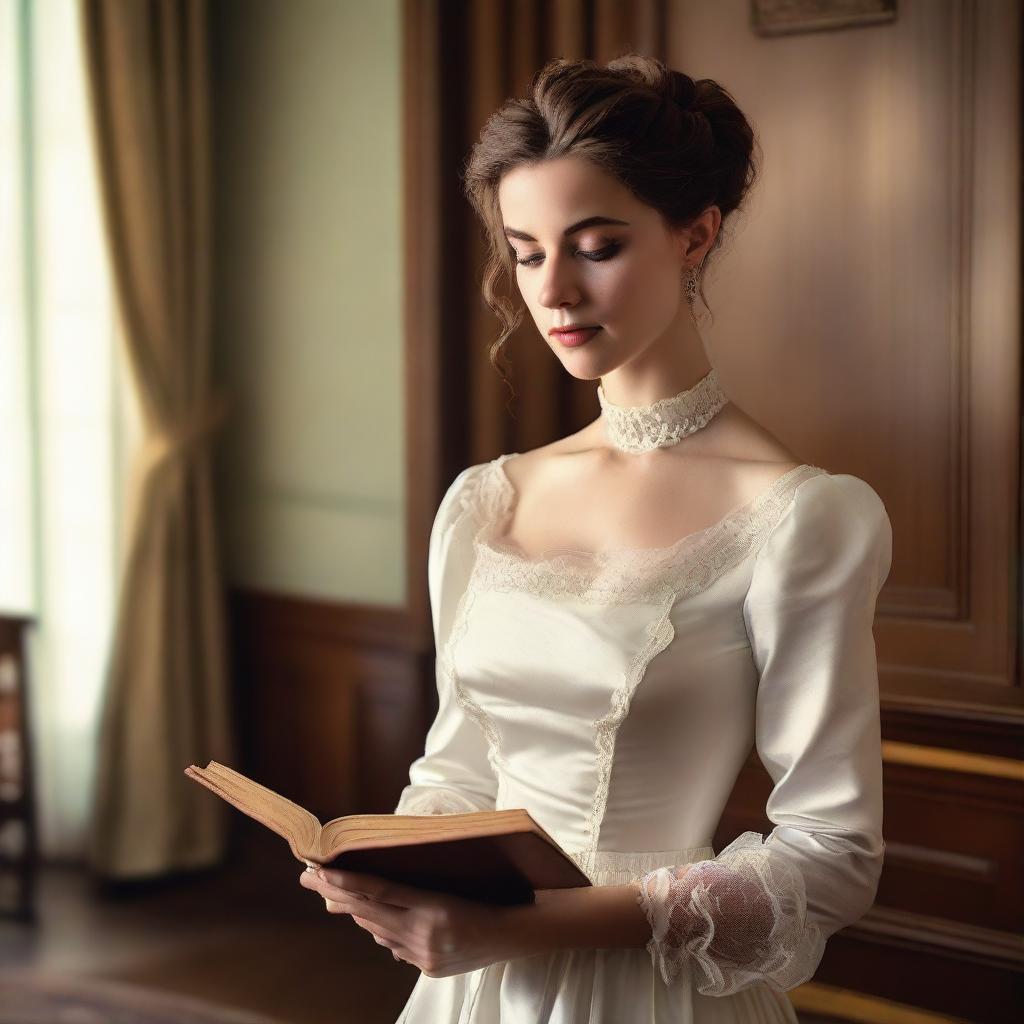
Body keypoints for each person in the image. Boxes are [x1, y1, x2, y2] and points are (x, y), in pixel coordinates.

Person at [299, 54, 892, 1024]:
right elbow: (454, 768)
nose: (554, 290)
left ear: (694, 233)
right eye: (526, 251)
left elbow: (832, 855)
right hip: (474, 991)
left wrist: (521, 930)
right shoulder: (486, 500)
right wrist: (395, 875)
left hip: (651, 989)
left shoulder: (802, 515)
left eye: (596, 244)